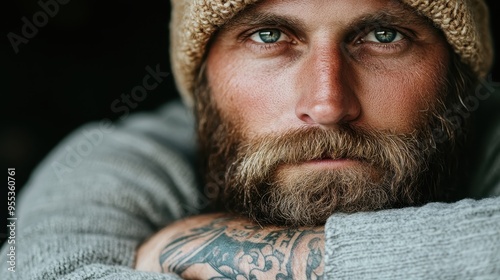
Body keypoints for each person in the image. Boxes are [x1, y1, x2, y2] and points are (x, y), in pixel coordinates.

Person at [2, 0, 499, 279]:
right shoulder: (117, 163)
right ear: (202, 80)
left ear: (458, 74)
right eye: (268, 36)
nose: (327, 104)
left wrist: (193, 251)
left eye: (385, 37)